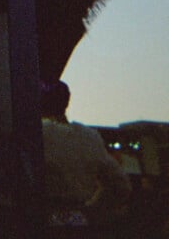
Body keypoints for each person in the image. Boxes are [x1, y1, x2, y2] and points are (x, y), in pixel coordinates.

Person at [40, 80, 131, 237]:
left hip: (43, 222)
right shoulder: (90, 137)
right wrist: (92, 209)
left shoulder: (37, 134)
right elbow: (121, 185)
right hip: (80, 222)